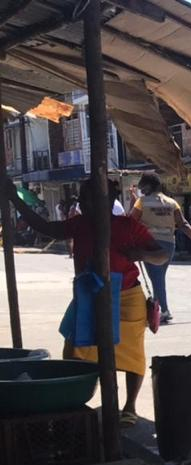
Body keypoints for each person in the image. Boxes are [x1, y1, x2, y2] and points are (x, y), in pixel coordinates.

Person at [1, 174, 167, 425]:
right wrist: (15, 199)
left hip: (127, 296)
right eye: (83, 198)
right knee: (76, 350)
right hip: (89, 293)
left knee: (132, 354)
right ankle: (76, 400)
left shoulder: (127, 225)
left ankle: (129, 407)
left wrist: (140, 253)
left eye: (89, 198)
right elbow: (45, 228)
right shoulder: (78, 224)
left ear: (109, 200)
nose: (84, 203)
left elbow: (161, 254)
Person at [130, 172, 191, 323]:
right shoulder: (172, 203)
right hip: (169, 245)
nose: (142, 189)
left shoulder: (142, 202)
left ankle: (164, 310)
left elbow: (131, 222)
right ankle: (158, 309)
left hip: (150, 244)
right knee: (158, 276)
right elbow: (183, 224)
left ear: (149, 186)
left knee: (156, 278)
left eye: (143, 186)